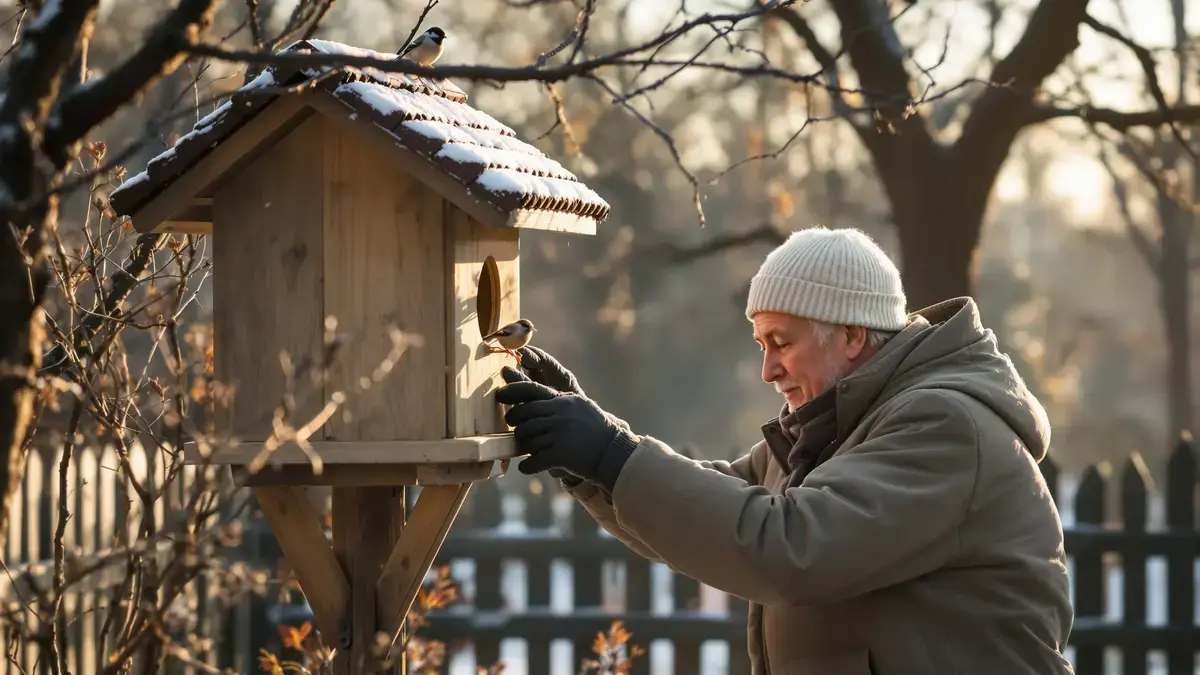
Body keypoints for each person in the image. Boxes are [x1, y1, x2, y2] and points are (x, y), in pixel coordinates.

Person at [495, 226, 1075, 675]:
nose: (768, 369)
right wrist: (591, 464)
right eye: (761, 343)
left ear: (851, 335)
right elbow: (717, 509)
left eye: (782, 343)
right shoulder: (829, 430)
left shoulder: (943, 425)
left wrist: (612, 455)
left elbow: (789, 545)